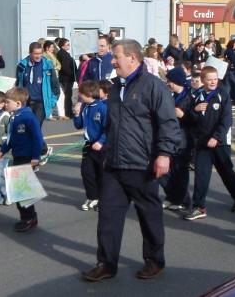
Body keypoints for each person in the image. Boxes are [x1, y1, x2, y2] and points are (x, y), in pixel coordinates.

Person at [82, 39, 181, 282]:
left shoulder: (154, 87)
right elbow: (111, 124)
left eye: (116, 56)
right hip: (114, 165)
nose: (113, 61)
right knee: (108, 217)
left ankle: (154, 260)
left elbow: (169, 124)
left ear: (133, 58)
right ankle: (106, 263)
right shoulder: (115, 88)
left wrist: (164, 154)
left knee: (149, 216)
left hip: (142, 165)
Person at [185, 66, 235, 221]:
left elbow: (227, 120)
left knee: (226, 172)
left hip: (219, 143)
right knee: (201, 175)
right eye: (209, 79)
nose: (212, 81)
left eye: (215, 78)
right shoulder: (197, 96)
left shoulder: (222, 95)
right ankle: (199, 207)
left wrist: (217, 137)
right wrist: (195, 110)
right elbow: (188, 119)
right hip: (202, 143)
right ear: (203, 80)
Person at [0, 88, 43, 232]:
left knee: (23, 191)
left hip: (27, 157)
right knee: (19, 191)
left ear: (18, 103)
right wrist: (2, 151)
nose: (5, 104)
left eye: (7, 102)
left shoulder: (28, 117)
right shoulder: (14, 117)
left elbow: (38, 138)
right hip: (18, 156)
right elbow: (11, 138)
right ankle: (29, 217)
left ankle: (29, 218)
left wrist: (36, 157)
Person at [15, 42, 59, 160]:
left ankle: (37, 154)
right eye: (36, 54)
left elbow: (55, 86)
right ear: (30, 53)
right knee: (27, 128)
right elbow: (18, 83)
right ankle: (42, 149)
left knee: (35, 127)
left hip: (41, 103)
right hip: (26, 103)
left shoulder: (47, 65)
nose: (38, 56)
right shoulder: (22, 66)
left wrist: (52, 102)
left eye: (40, 53)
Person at [161, 67, 192, 212]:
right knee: (167, 171)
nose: (168, 83)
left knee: (180, 172)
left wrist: (184, 116)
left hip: (183, 139)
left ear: (177, 81)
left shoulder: (188, 96)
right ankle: (172, 196)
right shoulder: (171, 96)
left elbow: (195, 120)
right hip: (170, 138)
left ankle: (183, 200)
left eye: (170, 81)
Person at [73, 81, 107, 212]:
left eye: (81, 93)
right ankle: (92, 196)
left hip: (100, 146)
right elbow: (78, 125)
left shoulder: (102, 108)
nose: (79, 96)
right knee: (86, 172)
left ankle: (103, 199)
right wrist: (76, 114)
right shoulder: (85, 107)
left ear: (89, 94)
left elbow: (108, 127)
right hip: (88, 145)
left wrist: (101, 141)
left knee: (102, 174)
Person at [56, 38, 77, 118]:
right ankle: (68, 112)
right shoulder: (62, 54)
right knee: (67, 95)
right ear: (62, 46)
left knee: (68, 95)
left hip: (67, 78)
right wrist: (72, 74)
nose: (69, 46)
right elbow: (65, 67)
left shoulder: (64, 53)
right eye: (67, 44)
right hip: (66, 78)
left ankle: (68, 111)